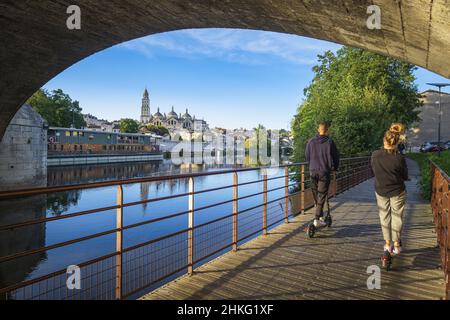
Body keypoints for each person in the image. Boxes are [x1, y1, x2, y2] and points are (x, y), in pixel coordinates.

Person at [371, 123, 408, 255]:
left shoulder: (375, 155)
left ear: (384, 140)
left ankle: (387, 244)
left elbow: (373, 171)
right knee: (397, 216)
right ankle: (397, 245)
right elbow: (405, 176)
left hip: (381, 190)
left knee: (384, 216)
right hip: (397, 190)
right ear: (397, 142)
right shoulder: (399, 158)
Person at [305, 122, 340, 227]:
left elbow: (307, 155)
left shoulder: (310, 142)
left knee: (316, 194)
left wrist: (311, 165)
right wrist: (335, 168)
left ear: (318, 130)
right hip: (324, 172)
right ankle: (317, 219)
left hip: (313, 171)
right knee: (321, 195)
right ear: (327, 130)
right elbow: (336, 157)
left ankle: (319, 216)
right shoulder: (330, 142)